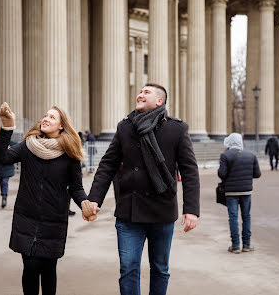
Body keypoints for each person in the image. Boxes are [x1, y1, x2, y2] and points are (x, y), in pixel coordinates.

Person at [85, 83, 200, 295]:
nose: (140, 94)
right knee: (128, 269)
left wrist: (191, 209)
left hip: (162, 211)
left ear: (160, 101)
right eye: (139, 91)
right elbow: (107, 165)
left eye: (146, 92)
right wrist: (94, 199)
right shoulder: (125, 127)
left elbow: (189, 170)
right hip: (130, 212)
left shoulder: (176, 129)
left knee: (160, 269)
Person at [0, 102, 90, 295]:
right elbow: (2, 157)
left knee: (48, 270)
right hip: (26, 218)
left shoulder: (70, 154)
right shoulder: (29, 146)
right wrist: (7, 128)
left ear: (61, 126)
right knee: (30, 267)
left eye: (52, 117)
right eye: (45, 115)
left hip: (53, 221)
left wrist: (85, 203)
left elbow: (76, 188)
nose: (46, 118)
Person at [218, 133, 261, 254]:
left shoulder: (225, 155)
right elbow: (257, 174)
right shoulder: (251, 155)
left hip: (231, 192)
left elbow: (222, 174)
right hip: (246, 191)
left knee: (233, 218)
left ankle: (235, 245)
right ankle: (246, 244)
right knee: (246, 217)